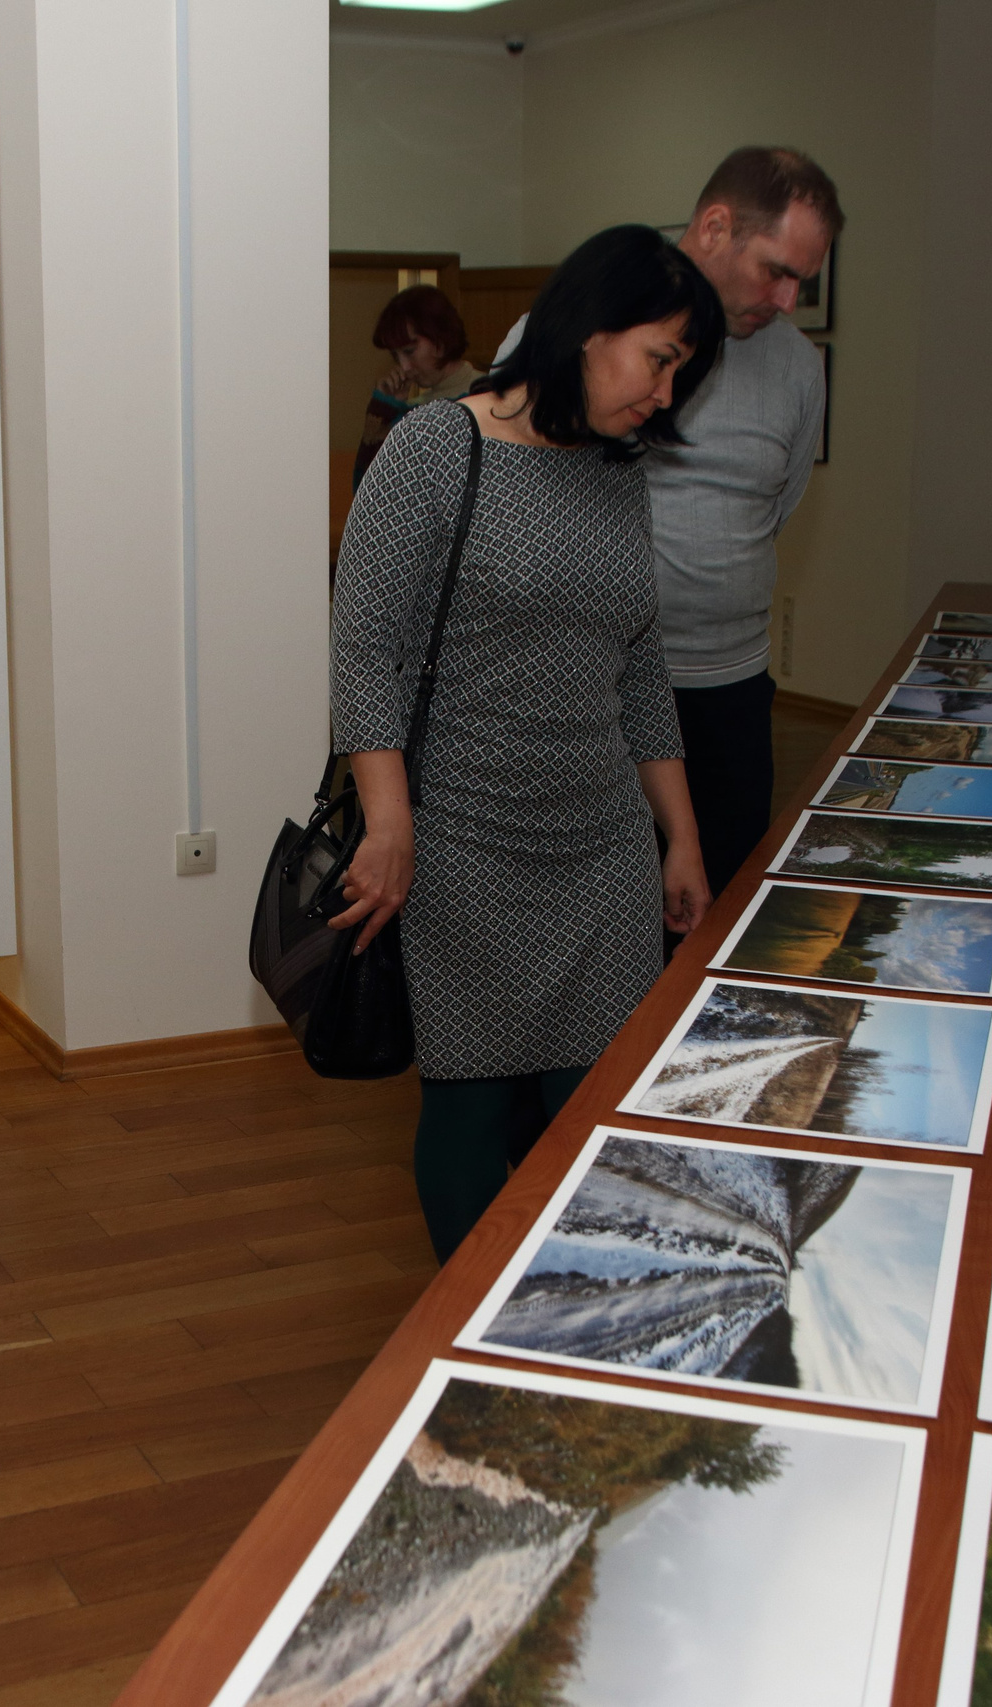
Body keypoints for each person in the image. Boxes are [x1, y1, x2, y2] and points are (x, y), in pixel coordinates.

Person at [329, 225, 723, 1262]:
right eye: (662, 360)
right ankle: (470, 1331)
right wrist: (389, 822)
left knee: (590, 1115)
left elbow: (637, 666)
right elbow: (364, 643)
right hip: (461, 848)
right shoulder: (435, 448)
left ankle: (565, 1316)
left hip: (600, 857)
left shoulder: (615, 471)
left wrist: (676, 838)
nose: (664, 395)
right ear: (589, 330)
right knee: (470, 1113)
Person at [496, 147, 843, 892]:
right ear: (715, 226)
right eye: (777, 270)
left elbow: (776, 507)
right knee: (594, 905)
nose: (787, 300)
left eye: (803, 283)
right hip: (590, 690)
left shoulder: (795, 367)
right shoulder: (572, 331)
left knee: (715, 902)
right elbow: (512, 497)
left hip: (730, 693)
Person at [350, 284, 481, 490]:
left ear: (439, 339)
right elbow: (367, 492)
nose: (404, 367)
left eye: (409, 351)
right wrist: (385, 409)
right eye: (396, 356)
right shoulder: (409, 410)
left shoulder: (486, 395)